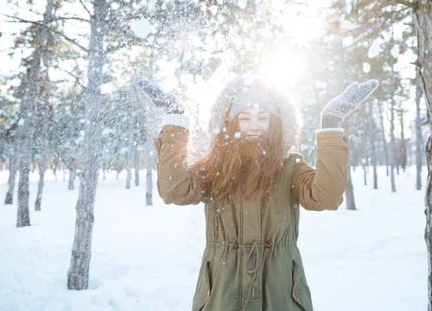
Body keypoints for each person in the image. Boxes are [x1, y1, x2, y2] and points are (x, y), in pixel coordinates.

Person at [134, 74, 378, 311]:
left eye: (263, 117)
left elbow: (326, 196)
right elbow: (174, 190)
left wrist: (331, 124)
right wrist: (175, 119)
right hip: (222, 292)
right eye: (245, 117)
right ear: (231, 121)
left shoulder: (290, 167)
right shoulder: (214, 167)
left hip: (280, 292)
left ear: (276, 122)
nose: (254, 126)